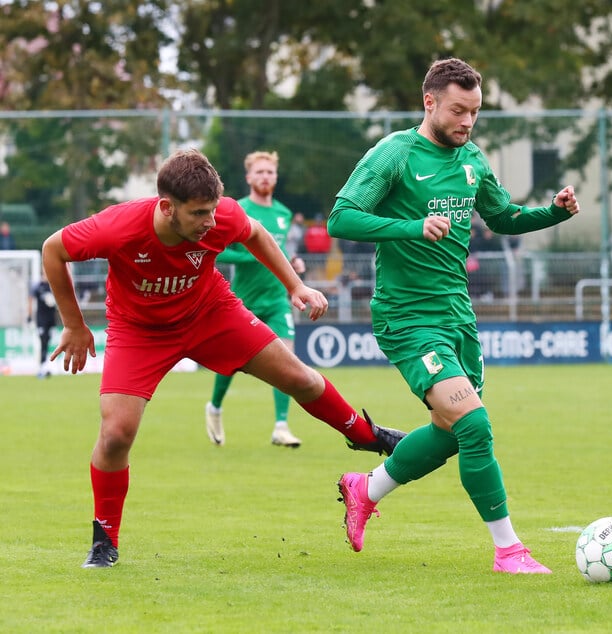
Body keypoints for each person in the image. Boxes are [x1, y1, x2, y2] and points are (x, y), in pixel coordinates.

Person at [42, 148, 406, 569]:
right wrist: (73, 324)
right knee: (116, 434)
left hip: (210, 313)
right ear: (166, 207)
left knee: (301, 379)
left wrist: (296, 287)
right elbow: (54, 250)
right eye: (199, 213)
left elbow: (255, 234)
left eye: (213, 210)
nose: (211, 222)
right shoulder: (118, 226)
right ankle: (104, 541)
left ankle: (364, 434)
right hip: (138, 332)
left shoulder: (222, 216)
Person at [328, 58, 580, 574]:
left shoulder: (473, 159)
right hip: (408, 317)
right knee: (477, 426)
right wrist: (411, 226)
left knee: (450, 431)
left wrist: (553, 211)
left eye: (475, 112)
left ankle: (365, 488)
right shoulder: (395, 155)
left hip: (457, 316)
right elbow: (342, 216)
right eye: (458, 110)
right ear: (430, 102)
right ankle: (509, 550)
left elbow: (503, 217)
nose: (467, 122)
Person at [204, 150, 307, 448]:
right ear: (249, 177)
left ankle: (281, 426)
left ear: (276, 177)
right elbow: (221, 249)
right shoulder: (236, 209)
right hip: (243, 300)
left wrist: (293, 263)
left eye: (270, 172)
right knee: (232, 362)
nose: (265, 177)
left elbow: (281, 252)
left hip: (276, 299)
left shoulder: (284, 214)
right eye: (259, 172)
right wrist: (254, 254)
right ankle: (215, 407)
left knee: (288, 361)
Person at [30, 268, 58, 378]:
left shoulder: (53, 286)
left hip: (51, 320)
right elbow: (30, 299)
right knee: (43, 342)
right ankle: (42, 368)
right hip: (41, 321)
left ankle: (47, 367)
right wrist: (29, 316)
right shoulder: (38, 287)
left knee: (49, 343)